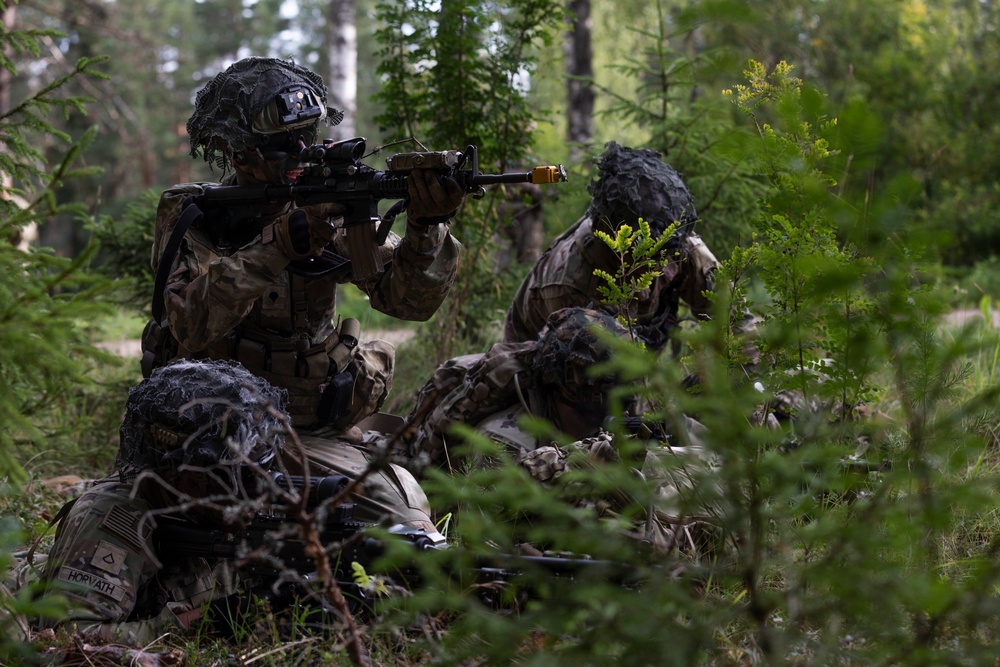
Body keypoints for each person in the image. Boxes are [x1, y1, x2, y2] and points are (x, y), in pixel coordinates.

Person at [141, 56, 464, 435]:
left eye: (306, 136)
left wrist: (426, 227)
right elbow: (189, 326)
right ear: (238, 150)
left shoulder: (324, 203)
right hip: (204, 425)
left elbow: (409, 302)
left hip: (307, 428)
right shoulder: (193, 211)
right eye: (281, 144)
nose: (299, 151)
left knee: (395, 496)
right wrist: (276, 247)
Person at [39, 359, 439, 645]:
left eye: (257, 466)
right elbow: (62, 640)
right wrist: (211, 620)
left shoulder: (222, 506)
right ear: (177, 471)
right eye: (230, 473)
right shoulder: (114, 517)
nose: (253, 486)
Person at [399, 307, 720, 555]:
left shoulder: (611, 401)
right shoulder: (504, 442)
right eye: (595, 409)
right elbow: (481, 544)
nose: (609, 419)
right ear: (558, 392)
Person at [503, 141, 723, 353]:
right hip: (547, 369)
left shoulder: (671, 239)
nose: (659, 265)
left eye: (663, 254)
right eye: (646, 254)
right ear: (616, 240)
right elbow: (593, 379)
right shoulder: (572, 285)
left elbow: (732, 316)